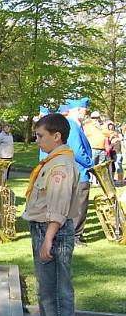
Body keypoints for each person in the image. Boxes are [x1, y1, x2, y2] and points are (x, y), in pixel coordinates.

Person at [23, 113, 80, 316]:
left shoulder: (60, 166)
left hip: (52, 232)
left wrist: (48, 239)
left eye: (40, 136)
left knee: (56, 291)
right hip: (45, 229)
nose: (37, 140)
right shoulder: (53, 161)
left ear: (57, 136)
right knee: (47, 288)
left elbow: (58, 206)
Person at [64, 97, 94, 246]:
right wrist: (91, 164)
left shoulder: (72, 124)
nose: (85, 113)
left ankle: (74, 235)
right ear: (77, 110)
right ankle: (75, 235)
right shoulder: (73, 125)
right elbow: (77, 150)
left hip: (74, 171)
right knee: (79, 205)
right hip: (79, 171)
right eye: (83, 110)